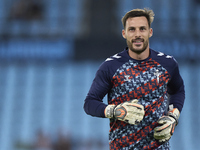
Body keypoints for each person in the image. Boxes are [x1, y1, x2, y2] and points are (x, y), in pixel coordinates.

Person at [83, 8, 185, 150]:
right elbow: (90, 103)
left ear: (150, 32)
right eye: (132, 29)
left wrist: (172, 116)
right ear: (124, 33)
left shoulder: (168, 64)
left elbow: (178, 91)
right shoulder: (110, 66)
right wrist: (114, 111)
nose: (137, 34)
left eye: (142, 29)